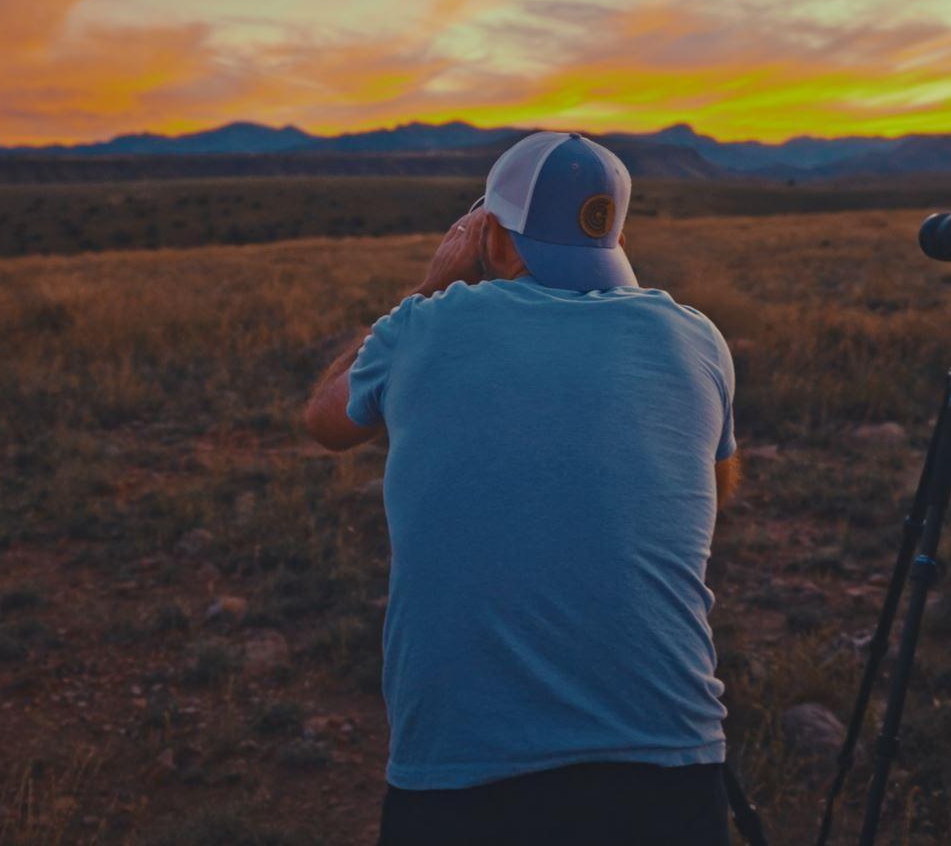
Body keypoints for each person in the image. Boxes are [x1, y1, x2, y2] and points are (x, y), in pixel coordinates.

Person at [303, 131, 743, 846]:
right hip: (671, 751)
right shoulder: (696, 337)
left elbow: (326, 422)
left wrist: (431, 283)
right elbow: (715, 488)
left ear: (494, 239)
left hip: (467, 764)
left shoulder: (426, 325)